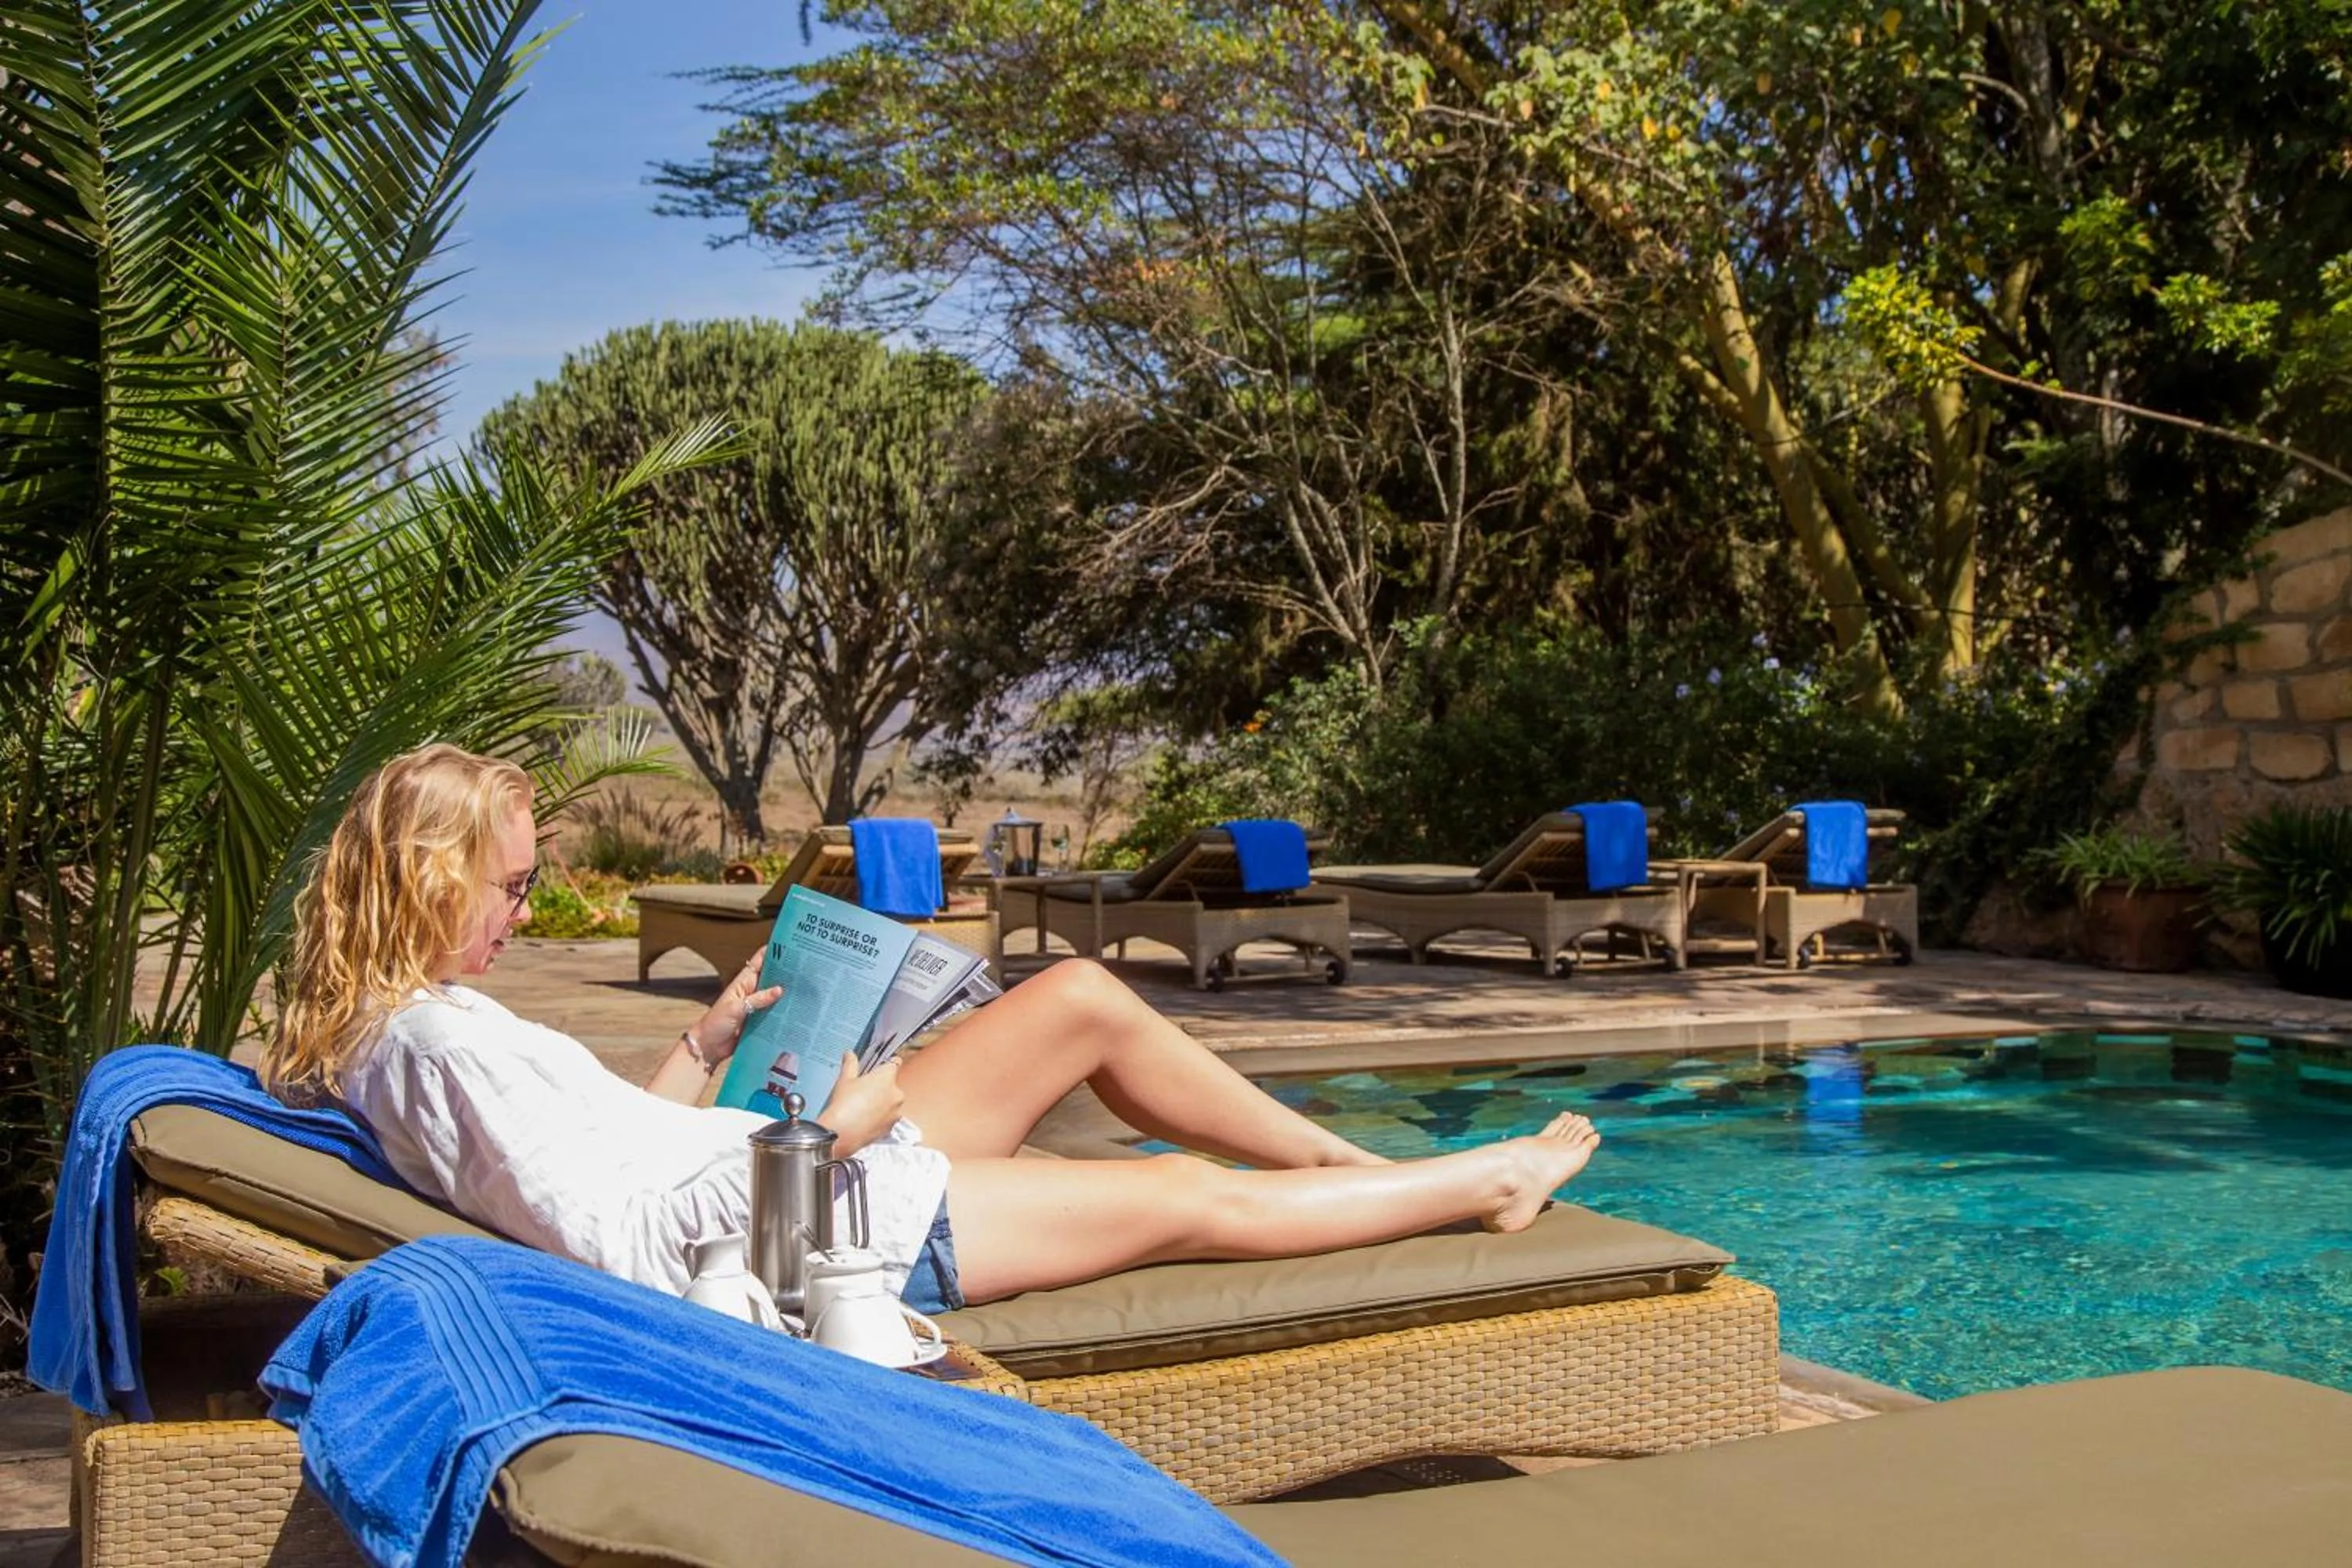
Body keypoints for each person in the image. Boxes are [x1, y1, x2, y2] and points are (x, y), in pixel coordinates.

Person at [262, 744, 1601, 1316]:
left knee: (1074, 999)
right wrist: (829, 1134)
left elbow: (611, 1161)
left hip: (773, 1168)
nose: (522, 908)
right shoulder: (431, 1053)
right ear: (431, 879)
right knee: (1184, 1195)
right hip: (806, 1237)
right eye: (507, 887)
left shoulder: (423, 1022)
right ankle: (1481, 1184)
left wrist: (701, 1040)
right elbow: (622, 1247)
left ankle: (1361, 1180)